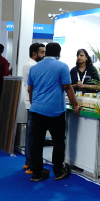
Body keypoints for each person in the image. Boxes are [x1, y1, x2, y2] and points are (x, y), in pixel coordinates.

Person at [27, 42, 80, 182]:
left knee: (37, 142)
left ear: (45, 53)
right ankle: (58, 171)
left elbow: (30, 89)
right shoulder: (62, 66)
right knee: (58, 141)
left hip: (36, 110)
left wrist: (34, 104)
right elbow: (67, 87)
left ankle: (37, 173)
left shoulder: (34, 67)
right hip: (55, 111)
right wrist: (75, 105)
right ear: (58, 53)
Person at [21, 43, 45, 174]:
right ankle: (31, 164)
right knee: (33, 135)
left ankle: (28, 162)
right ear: (34, 54)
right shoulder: (32, 66)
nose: (44, 55)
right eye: (42, 52)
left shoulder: (30, 65)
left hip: (32, 103)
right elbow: (33, 87)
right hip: (33, 103)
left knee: (31, 134)